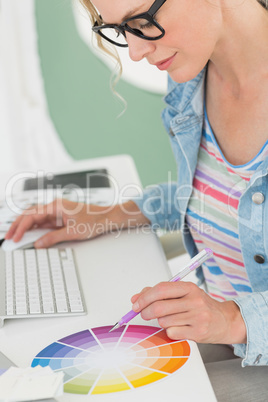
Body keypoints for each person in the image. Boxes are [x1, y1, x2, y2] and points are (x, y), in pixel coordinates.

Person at [5, 0, 268, 400]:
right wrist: (108, 214)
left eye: (142, 21)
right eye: (117, 30)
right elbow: (215, 194)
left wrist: (234, 319)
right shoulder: (192, 75)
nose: (135, 50)